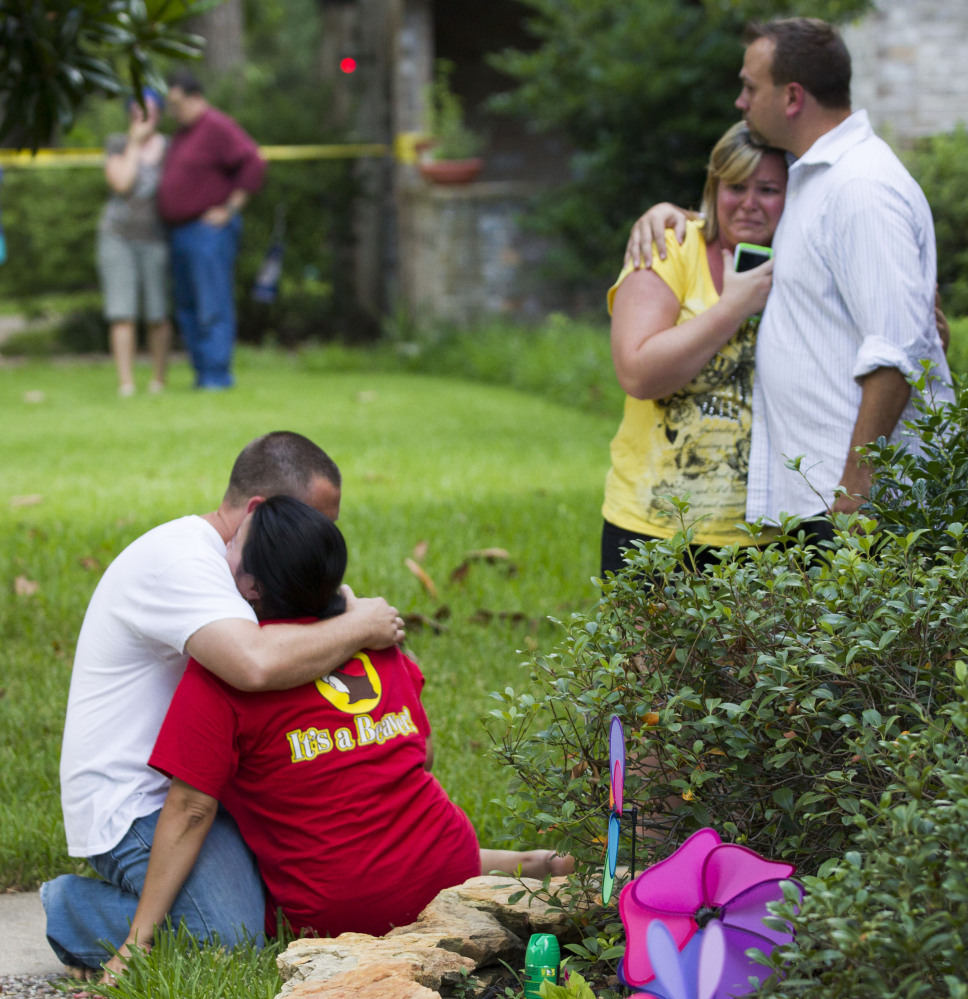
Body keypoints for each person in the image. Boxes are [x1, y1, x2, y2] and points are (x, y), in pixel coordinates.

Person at [94, 495, 573, 981]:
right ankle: (517, 864)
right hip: (446, 855)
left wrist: (138, 941)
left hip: (342, 913)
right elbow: (422, 754)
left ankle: (69, 905)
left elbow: (192, 808)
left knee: (222, 928)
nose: (223, 547)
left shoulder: (223, 677)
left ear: (253, 586)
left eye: (234, 543)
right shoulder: (376, 645)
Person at [42, 432, 405, 975]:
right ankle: (70, 908)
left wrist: (351, 616)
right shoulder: (183, 561)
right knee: (231, 942)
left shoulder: (254, 564)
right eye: (312, 522)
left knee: (297, 907)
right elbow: (254, 664)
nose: (317, 541)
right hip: (136, 801)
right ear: (260, 511)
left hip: (209, 787)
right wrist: (359, 623)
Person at [627, 17, 953, 542]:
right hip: (821, 508)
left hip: (860, 515)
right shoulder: (812, 179)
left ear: (793, 96)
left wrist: (853, 497)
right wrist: (669, 214)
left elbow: (896, 352)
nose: (740, 101)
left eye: (750, 87)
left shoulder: (861, 187)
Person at [601, 122, 784, 576]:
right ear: (713, 187)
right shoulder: (671, 245)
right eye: (736, 186)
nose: (748, 203)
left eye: (768, 189)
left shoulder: (804, 258)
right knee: (648, 652)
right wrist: (734, 307)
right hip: (655, 526)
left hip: (771, 533)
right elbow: (638, 373)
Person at [157, 69, 266, 390]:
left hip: (207, 232)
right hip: (179, 232)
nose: (172, 111)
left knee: (211, 304)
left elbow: (253, 161)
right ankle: (202, 374)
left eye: (177, 103)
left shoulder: (216, 126)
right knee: (189, 307)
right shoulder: (182, 132)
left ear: (196, 98)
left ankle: (217, 376)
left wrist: (230, 208)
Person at [97, 89, 172, 397]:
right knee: (122, 312)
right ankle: (126, 384)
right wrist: (135, 143)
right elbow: (122, 182)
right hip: (117, 237)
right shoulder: (117, 143)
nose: (145, 117)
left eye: (151, 110)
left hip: (156, 237)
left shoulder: (171, 147)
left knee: (157, 313)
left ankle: (159, 381)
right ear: (130, 114)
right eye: (139, 111)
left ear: (160, 113)